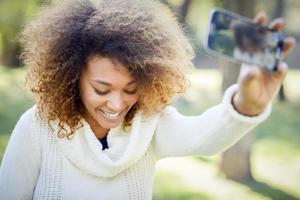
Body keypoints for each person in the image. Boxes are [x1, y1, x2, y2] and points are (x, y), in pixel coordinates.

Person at [0, 0, 295, 199]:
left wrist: (247, 105)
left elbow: (205, 136)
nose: (117, 105)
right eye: (102, 89)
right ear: (71, 77)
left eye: (131, 89)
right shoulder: (36, 128)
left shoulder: (148, 122)